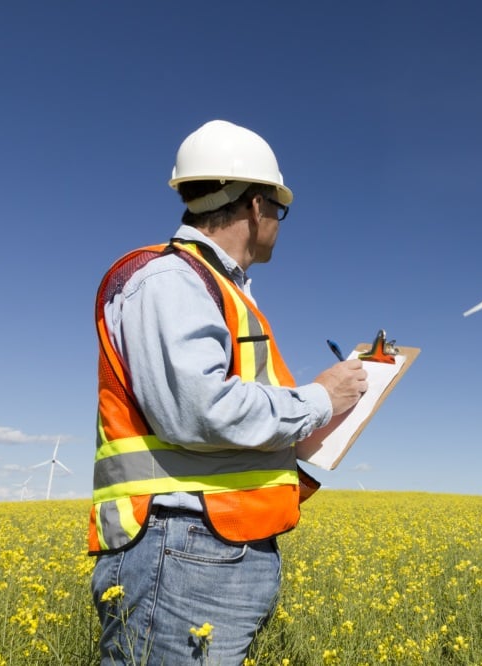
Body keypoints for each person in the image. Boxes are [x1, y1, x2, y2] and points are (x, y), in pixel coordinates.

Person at [89, 119, 368, 665]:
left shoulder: (217, 289)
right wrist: (319, 398)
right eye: (279, 213)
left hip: (212, 543)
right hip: (182, 546)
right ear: (258, 207)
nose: (278, 226)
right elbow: (200, 411)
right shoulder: (171, 281)